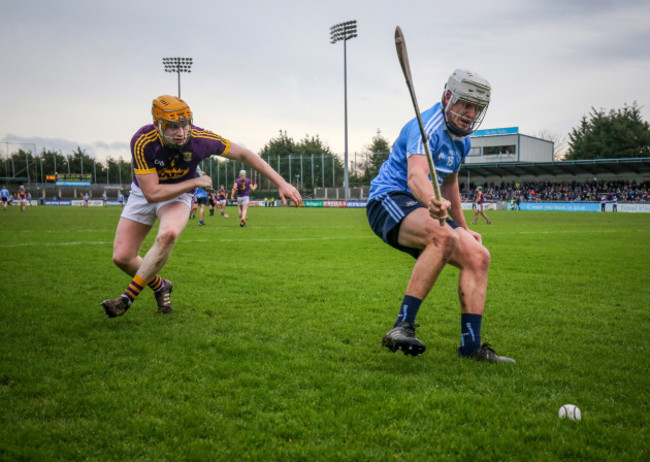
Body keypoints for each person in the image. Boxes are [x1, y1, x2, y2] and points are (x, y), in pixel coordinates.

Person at [101, 95, 301, 318]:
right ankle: (160, 286)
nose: (181, 132)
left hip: (179, 196)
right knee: (122, 257)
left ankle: (126, 299)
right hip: (145, 192)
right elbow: (152, 193)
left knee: (168, 234)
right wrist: (196, 181)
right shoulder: (142, 141)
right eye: (173, 127)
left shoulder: (200, 138)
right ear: (157, 125)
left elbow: (244, 154)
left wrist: (281, 182)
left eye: (185, 125)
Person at [366, 69, 514, 363]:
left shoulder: (462, 140)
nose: (471, 114)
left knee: (478, 256)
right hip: (389, 200)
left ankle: (471, 348)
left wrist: (462, 226)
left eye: (477, 108)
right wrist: (432, 202)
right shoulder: (428, 127)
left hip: (423, 206)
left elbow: (449, 184)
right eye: (466, 105)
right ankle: (401, 327)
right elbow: (416, 176)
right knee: (443, 236)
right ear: (448, 98)